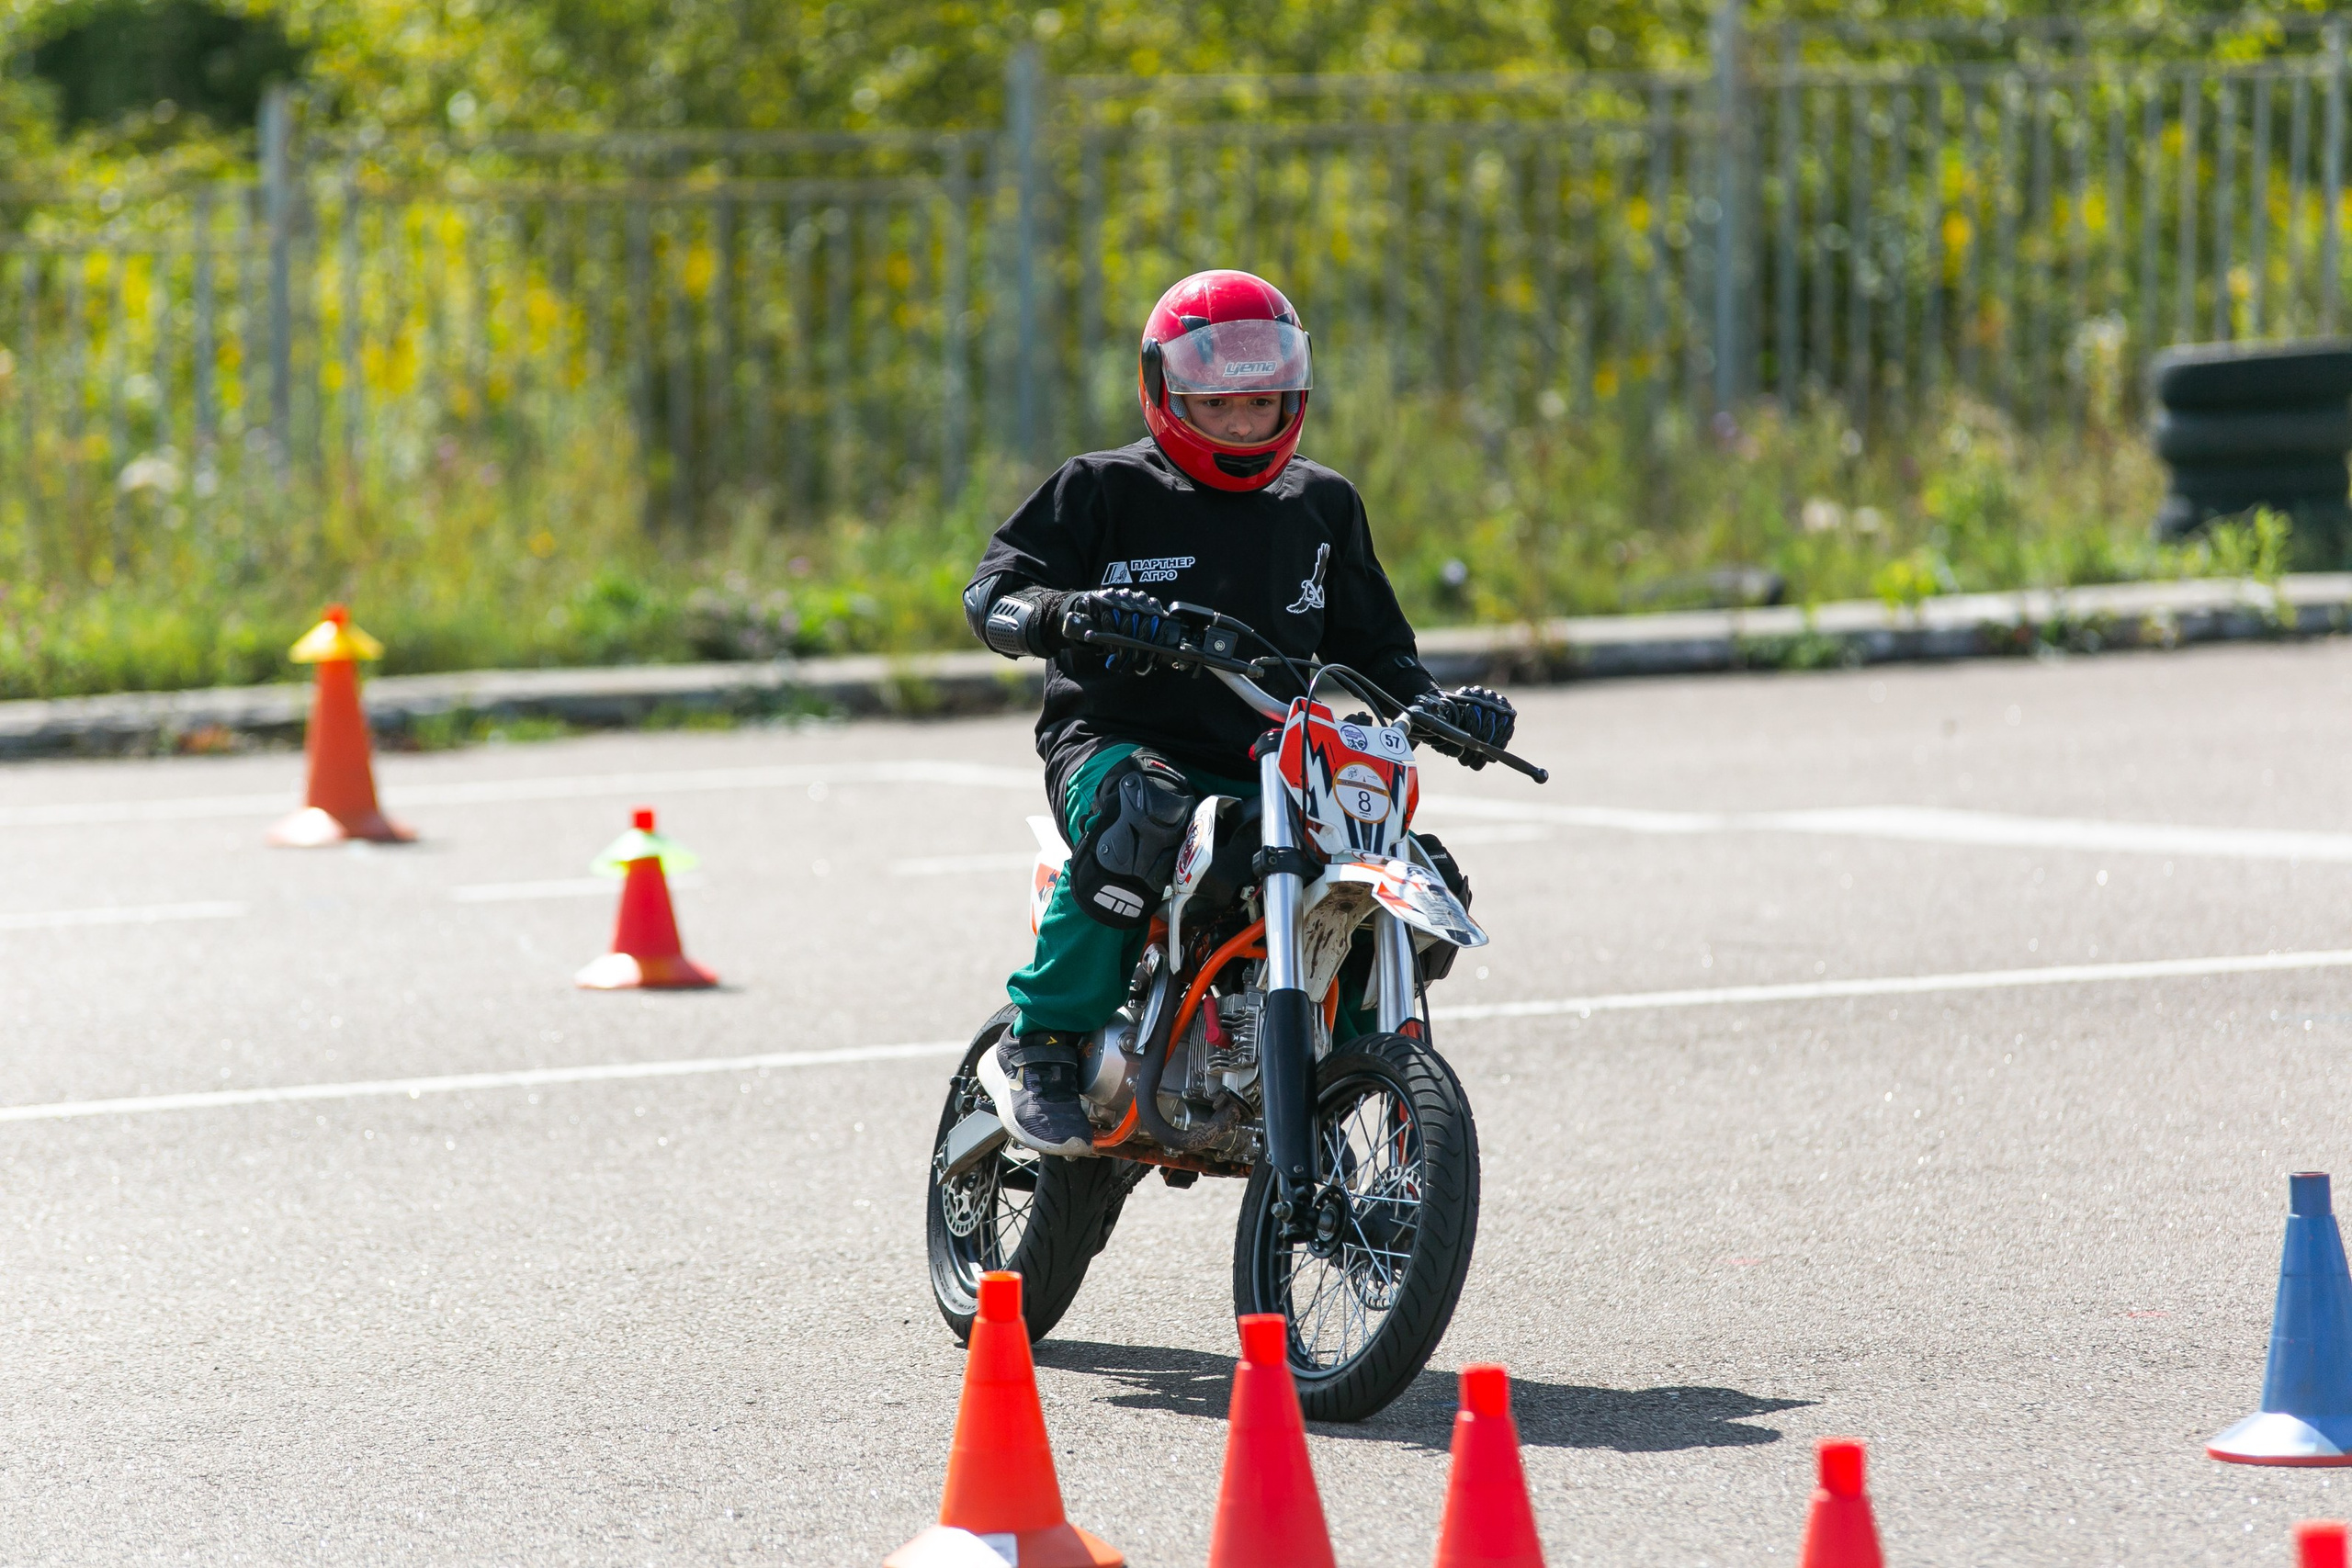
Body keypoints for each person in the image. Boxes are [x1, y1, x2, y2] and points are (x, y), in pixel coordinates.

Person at [962, 268, 1516, 1156]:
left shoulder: (1323, 504)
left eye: (1260, 404)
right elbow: (992, 593)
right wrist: (1061, 612)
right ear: (1164, 390)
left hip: (1273, 761)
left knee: (1414, 870)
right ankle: (1046, 1043)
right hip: (1116, 742)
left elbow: (1381, 654)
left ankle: (1351, 1072)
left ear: (1291, 394)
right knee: (1144, 813)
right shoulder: (1100, 489)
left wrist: (1440, 707)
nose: (1241, 421)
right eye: (1218, 404)